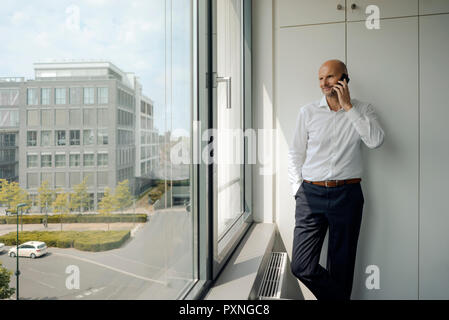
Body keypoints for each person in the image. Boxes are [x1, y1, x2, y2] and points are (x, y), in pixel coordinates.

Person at [288, 59, 385, 300]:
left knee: (342, 266)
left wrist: (348, 107)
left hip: (347, 195)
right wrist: (297, 189)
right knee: (301, 266)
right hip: (310, 195)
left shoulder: (363, 110)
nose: (324, 83)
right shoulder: (307, 112)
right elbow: (295, 154)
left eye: (330, 77)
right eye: (320, 78)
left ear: (344, 79)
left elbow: (376, 141)